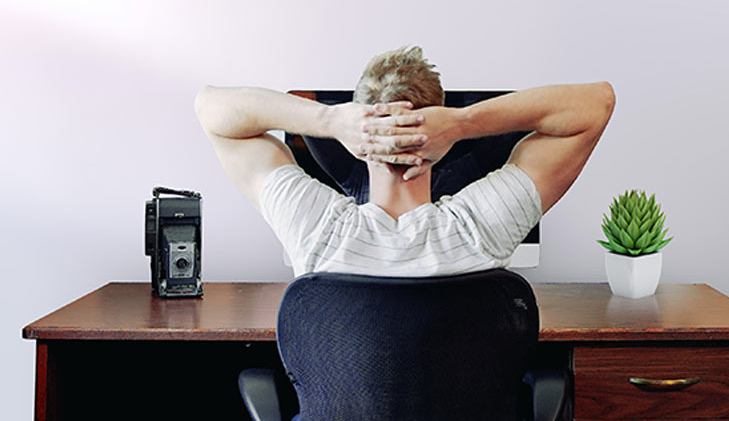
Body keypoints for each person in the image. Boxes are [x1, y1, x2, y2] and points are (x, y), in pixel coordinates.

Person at [195, 46, 615, 279]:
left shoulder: (315, 230)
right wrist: (462, 122)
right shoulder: (481, 229)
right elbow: (596, 104)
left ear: (359, 140)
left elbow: (211, 108)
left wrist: (329, 119)